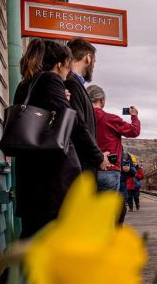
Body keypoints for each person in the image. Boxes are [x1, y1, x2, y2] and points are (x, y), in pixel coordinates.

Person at [13, 39, 104, 238]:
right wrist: (98, 156)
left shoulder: (25, 84)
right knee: (51, 237)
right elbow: (74, 123)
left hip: (30, 176)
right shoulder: (50, 80)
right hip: (50, 177)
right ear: (59, 64)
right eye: (67, 66)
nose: (67, 73)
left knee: (32, 235)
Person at [88, 84, 140, 197]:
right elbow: (134, 131)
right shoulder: (110, 119)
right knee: (105, 212)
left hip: (85, 171)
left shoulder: (80, 118)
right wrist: (134, 116)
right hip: (109, 170)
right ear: (102, 100)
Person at [65, 38, 109, 172]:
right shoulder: (72, 84)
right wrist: (99, 157)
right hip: (77, 166)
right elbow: (79, 126)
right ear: (88, 58)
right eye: (94, 61)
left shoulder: (72, 83)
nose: (93, 66)